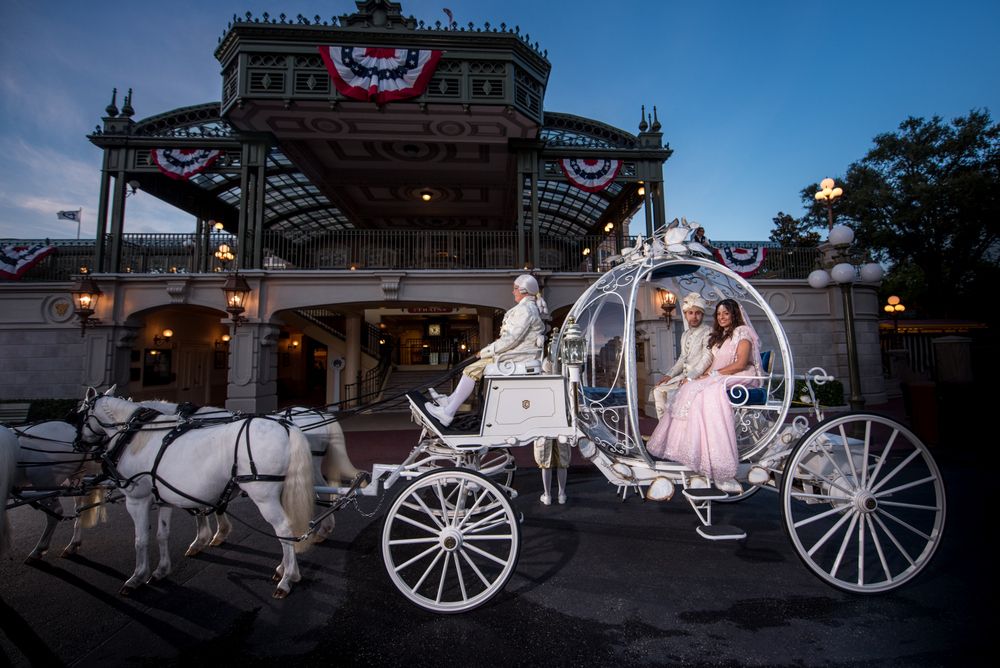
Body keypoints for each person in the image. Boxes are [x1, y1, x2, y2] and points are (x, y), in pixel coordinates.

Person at [645, 298, 763, 493]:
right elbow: (707, 362)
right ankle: (692, 449)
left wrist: (712, 375)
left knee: (707, 394)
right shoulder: (721, 335)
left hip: (739, 376)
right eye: (719, 314)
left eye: (726, 313)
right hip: (720, 375)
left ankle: (717, 458)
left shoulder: (742, 332)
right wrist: (698, 377)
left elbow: (741, 363)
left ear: (734, 314)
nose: (722, 317)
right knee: (689, 389)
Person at [425, 274, 548, 427]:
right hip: (514, 353)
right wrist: (489, 349)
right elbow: (511, 338)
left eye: (515, 289)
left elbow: (511, 339)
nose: (513, 292)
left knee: (471, 369)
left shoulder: (525, 310)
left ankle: (448, 412)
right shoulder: (527, 308)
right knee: (470, 369)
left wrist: (484, 352)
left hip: (516, 357)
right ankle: (449, 402)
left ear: (524, 290)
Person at [650, 292, 712, 419]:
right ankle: (664, 427)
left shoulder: (708, 332)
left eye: (698, 313)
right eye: (691, 313)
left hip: (700, 377)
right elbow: (682, 358)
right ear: (685, 315)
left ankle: (678, 427)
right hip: (684, 376)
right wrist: (669, 375)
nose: (694, 317)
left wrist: (690, 377)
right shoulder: (685, 334)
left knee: (673, 394)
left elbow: (707, 357)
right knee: (658, 390)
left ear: (702, 315)